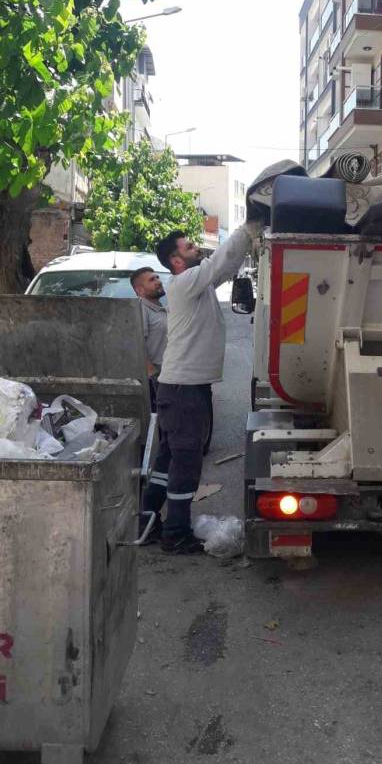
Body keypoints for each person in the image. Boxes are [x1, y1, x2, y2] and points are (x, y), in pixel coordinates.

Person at [140, 221, 262, 553]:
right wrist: (249, 228)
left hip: (181, 388)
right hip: (183, 390)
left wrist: (249, 246)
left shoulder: (198, 286)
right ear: (176, 261)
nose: (197, 249)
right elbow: (219, 260)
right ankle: (176, 533)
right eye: (190, 247)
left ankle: (146, 519)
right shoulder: (183, 282)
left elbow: (227, 266)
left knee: (169, 458)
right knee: (186, 462)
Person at [130, 267, 167, 410]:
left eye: (157, 277)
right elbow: (136, 344)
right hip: (156, 381)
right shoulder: (141, 308)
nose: (158, 281)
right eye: (152, 280)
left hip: (170, 375)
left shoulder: (159, 308)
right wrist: (153, 376)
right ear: (139, 290)